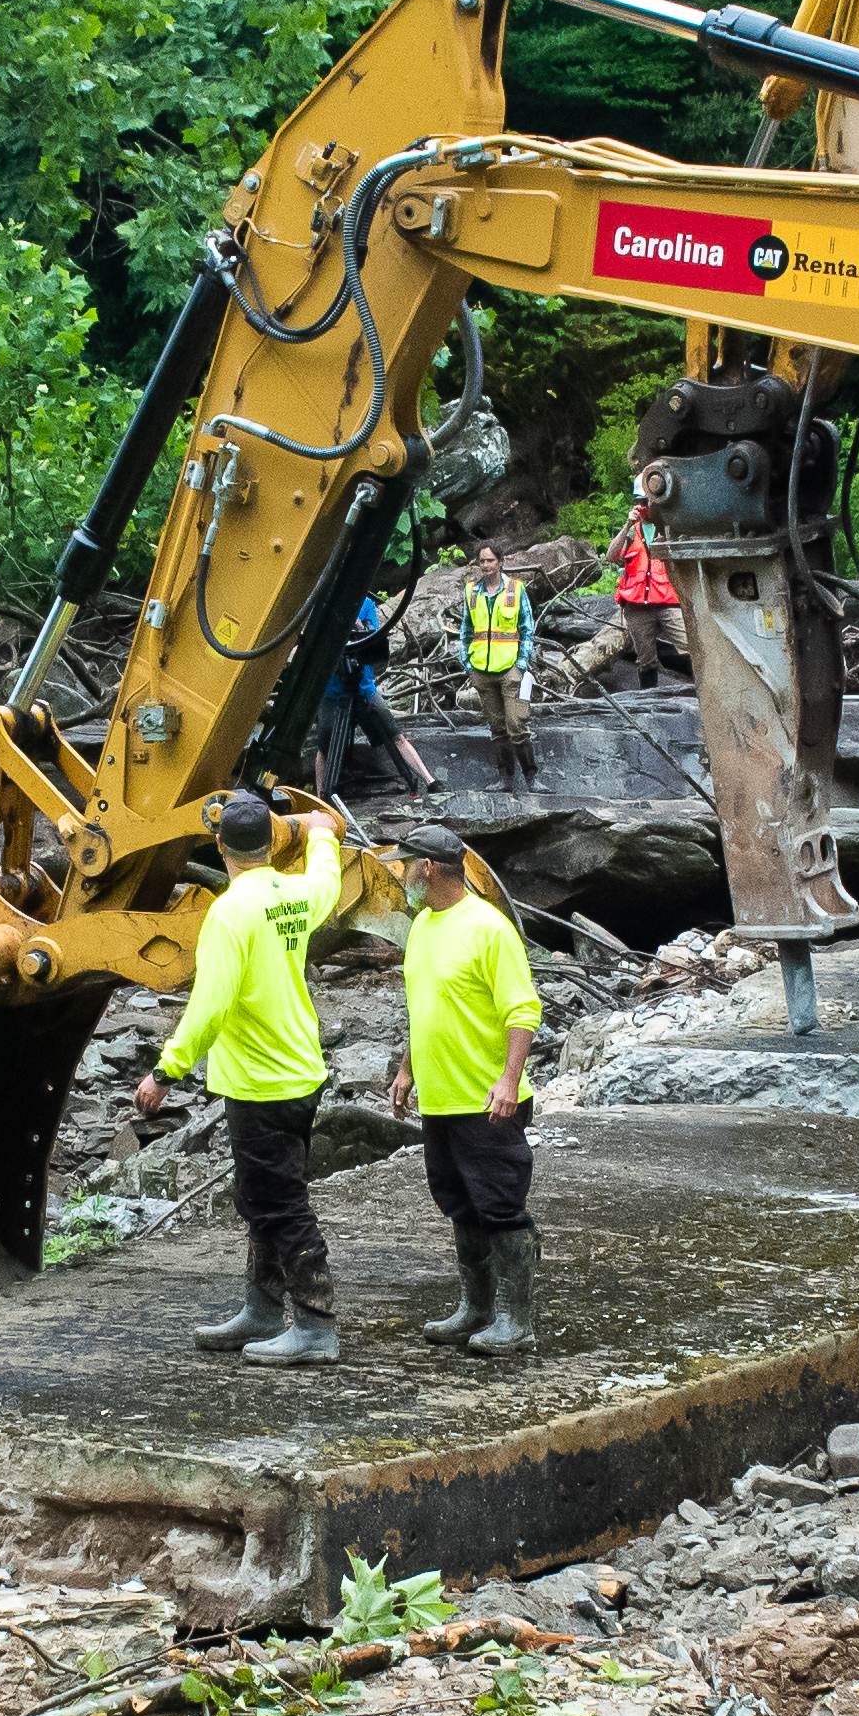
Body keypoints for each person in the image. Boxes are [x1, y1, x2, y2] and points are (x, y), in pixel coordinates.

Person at [135, 793, 340, 1366]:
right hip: (300, 1069)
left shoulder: (229, 912)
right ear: (272, 843)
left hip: (259, 1080)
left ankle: (316, 1326)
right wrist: (320, 829)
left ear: (219, 845)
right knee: (261, 1198)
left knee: (281, 1205)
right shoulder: (297, 893)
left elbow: (209, 1005)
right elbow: (328, 874)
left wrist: (166, 1070)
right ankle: (262, 1309)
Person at [382, 821, 545, 1356]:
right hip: (440, 1098)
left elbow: (523, 1009)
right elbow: (422, 1007)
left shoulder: (488, 928)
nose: (399, 874)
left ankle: (517, 1319)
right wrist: (407, 1070)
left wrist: (508, 1081)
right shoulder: (423, 926)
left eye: (403, 864)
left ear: (427, 868)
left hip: (485, 1099)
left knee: (499, 1204)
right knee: (459, 1202)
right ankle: (476, 1308)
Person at [314, 587, 438, 801]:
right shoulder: (325, 604)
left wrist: (357, 625)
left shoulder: (366, 605)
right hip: (333, 691)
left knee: (394, 734)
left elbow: (373, 638)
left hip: (364, 687)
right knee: (324, 745)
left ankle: (429, 780)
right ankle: (320, 797)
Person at [456, 549, 541, 789]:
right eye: (482, 561)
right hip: (481, 668)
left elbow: (527, 627)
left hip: (509, 668)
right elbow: (466, 630)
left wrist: (522, 663)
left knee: (516, 724)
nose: (486, 565)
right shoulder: (471, 591)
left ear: (501, 562)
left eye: (490, 560)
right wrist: (468, 664)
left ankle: (531, 778)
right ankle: (505, 779)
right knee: (496, 727)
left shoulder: (515, 589)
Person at [595, 509, 688, 693]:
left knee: (689, 646)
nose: (642, 506)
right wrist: (627, 525)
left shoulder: (669, 528)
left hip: (668, 600)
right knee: (645, 660)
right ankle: (648, 702)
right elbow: (611, 557)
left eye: (645, 502)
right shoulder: (631, 531)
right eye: (639, 501)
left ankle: (700, 693)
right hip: (637, 605)